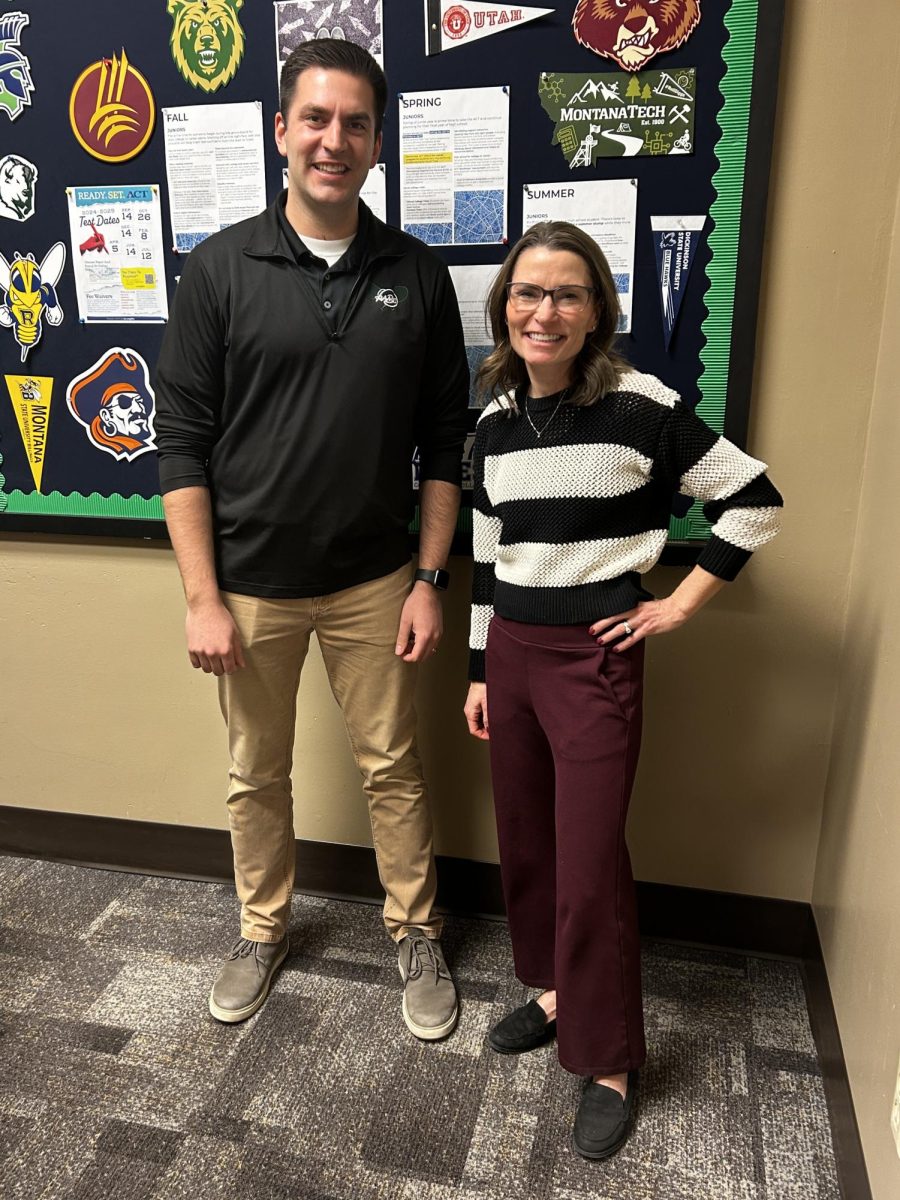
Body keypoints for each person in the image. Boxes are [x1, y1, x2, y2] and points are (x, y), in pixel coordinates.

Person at [155, 38, 469, 1040]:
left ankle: (415, 930)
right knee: (257, 769)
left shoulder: (415, 274)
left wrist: (429, 578)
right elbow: (182, 449)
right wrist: (203, 598)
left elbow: (445, 448)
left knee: (394, 763)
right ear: (283, 130)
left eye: (356, 123)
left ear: (379, 141)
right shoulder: (218, 269)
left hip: (379, 579)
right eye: (317, 120)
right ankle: (263, 927)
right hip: (251, 582)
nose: (335, 140)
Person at [463, 222, 782, 1159]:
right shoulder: (492, 419)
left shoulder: (642, 406)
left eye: (567, 294)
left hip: (593, 657)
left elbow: (754, 499)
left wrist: (678, 606)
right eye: (528, 293)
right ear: (504, 306)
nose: (544, 311)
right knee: (527, 840)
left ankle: (606, 1058)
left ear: (598, 308)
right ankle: (557, 993)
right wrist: (482, 667)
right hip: (513, 654)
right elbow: (488, 554)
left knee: (591, 861)